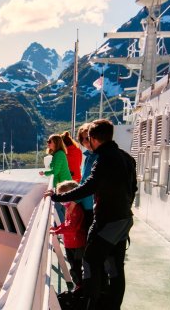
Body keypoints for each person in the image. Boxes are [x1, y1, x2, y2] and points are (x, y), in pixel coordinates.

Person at [44, 119, 136, 310]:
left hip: (107, 220)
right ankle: (111, 305)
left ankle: (90, 304)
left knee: (90, 260)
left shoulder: (104, 159)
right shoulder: (126, 157)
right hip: (124, 219)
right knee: (115, 267)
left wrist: (58, 197)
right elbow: (133, 188)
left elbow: (89, 187)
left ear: (93, 139)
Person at [50, 180, 86, 292]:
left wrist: (57, 231)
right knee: (74, 266)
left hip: (76, 244)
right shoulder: (69, 207)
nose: (61, 200)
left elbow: (71, 226)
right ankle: (79, 285)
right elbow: (67, 223)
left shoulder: (76, 209)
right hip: (70, 243)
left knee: (76, 267)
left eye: (63, 197)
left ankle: (80, 286)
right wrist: (57, 228)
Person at [40, 134, 72, 222]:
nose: (48, 143)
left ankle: (62, 227)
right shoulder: (58, 154)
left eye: (50, 141)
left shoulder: (59, 154)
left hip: (63, 186)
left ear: (56, 143)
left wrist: (44, 173)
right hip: (62, 184)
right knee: (62, 208)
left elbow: (55, 171)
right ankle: (64, 227)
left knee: (58, 207)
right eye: (48, 141)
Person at [76, 123, 97, 233]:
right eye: (82, 139)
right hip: (86, 203)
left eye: (87, 138)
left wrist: (74, 201)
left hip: (92, 206)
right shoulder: (89, 156)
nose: (85, 142)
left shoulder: (97, 157)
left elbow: (86, 182)